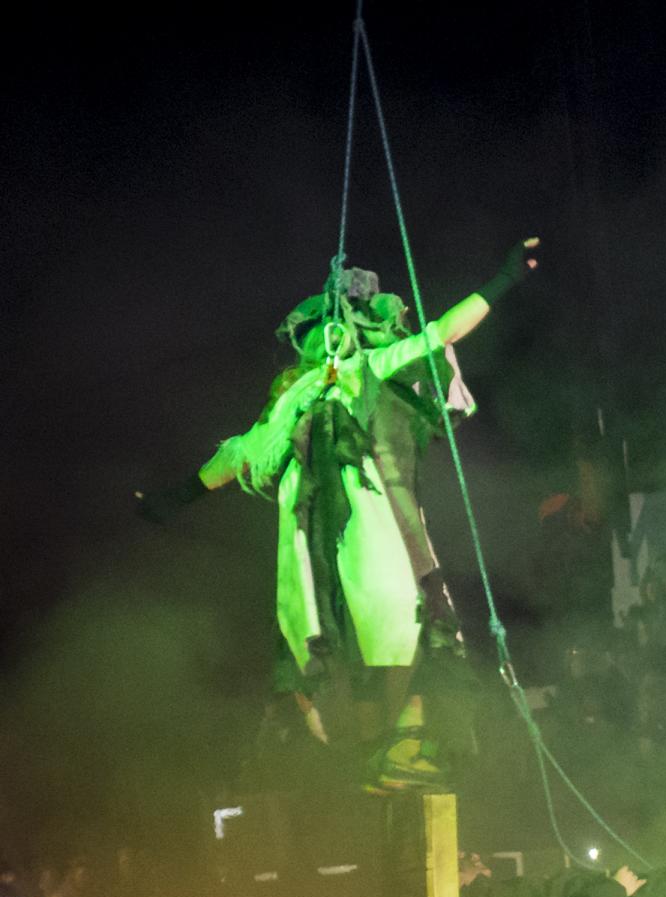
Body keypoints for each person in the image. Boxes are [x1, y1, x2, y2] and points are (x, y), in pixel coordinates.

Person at [139, 242, 539, 790]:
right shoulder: (291, 404)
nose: (326, 336)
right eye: (316, 331)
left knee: (404, 622)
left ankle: (399, 744)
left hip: (375, 524)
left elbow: (440, 333)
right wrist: (177, 496)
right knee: (329, 635)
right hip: (317, 542)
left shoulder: (366, 368)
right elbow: (236, 458)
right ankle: (368, 750)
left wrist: (503, 280)